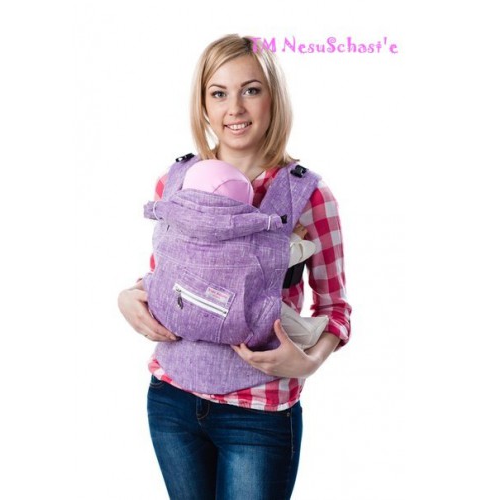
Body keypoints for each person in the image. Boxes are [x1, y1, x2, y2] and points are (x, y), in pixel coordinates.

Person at [118, 34, 352, 499]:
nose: (235, 108)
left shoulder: (307, 195)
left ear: (273, 98)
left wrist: (309, 362)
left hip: (258, 413)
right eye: (219, 93)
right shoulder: (175, 181)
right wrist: (128, 297)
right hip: (171, 400)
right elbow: (170, 277)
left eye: (251, 89)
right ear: (204, 104)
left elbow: (336, 307)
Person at [175, 157, 329, 350]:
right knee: (270, 312)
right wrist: (299, 241)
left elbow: (161, 271)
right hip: (240, 312)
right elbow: (278, 258)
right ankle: (307, 332)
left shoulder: (176, 187)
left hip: (189, 308)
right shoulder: (243, 247)